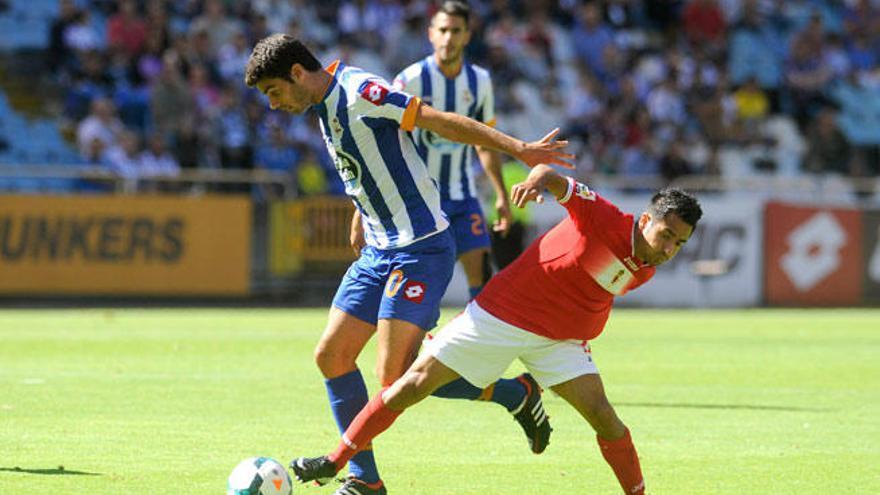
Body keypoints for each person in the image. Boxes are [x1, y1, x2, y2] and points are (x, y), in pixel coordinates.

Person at [244, 34, 573, 495]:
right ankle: (366, 479)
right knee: (331, 356)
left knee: (394, 379)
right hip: (379, 249)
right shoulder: (320, 104)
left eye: (273, 91)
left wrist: (517, 148)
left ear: (297, 73)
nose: (274, 104)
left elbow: (439, 122)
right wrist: (361, 211)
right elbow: (368, 160)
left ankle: (515, 393)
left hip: (420, 248)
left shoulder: (361, 92)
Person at [289, 165, 703, 495]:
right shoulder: (604, 218)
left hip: (561, 343)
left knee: (604, 418)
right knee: (409, 383)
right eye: (666, 235)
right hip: (501, 315)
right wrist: (537, 180)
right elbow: (553, 177)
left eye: (678, 244)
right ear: (646, 218)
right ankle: (336, 461)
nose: (669, 249)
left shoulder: (648, 263)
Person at [393, 1, 511, 301]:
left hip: (463, 196)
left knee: (483, 279)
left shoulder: (480, 82)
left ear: (467, 36)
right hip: (420, 199)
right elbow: (391, 144)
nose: (449, 38)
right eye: (443, 30)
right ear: (431, 34)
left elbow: (484, 143)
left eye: (455, 31)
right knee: (421, 285)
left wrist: (501, 194)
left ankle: (477, 345)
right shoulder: (410, 80)